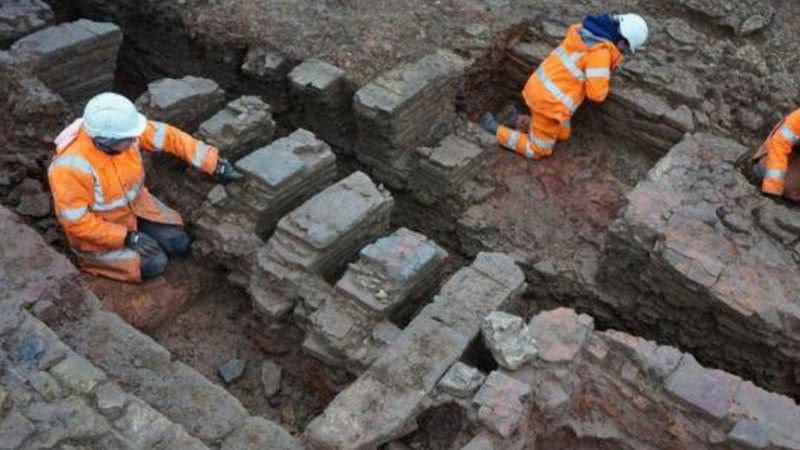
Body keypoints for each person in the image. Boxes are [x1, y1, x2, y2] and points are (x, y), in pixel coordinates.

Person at [48, 92, 243, 282]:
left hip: (138, 207)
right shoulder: (69, 168)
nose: (136, 139)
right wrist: (127, 237)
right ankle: (91, 262)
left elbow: (169, 136)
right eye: (129, 139)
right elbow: (76, 223)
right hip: (101, 229)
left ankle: (145, 234)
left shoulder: (123, 134)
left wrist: (214, 163)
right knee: (155, 264)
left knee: (179, 244)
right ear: (106, 141)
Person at [480, 13, 649, 160]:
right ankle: (495, 129)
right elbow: (596, 94)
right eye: (625, 50)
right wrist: (605, 74)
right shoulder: (600, 53)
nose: (623, 53)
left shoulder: (584, 33)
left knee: (563, 134)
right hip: (549, 105)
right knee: (538, 150)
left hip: (541, 89)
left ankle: (519, 120)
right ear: (622, 40)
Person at [753, 108, 800, 202]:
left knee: (790, 190)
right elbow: (779, 145)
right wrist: (772, 188)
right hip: (784, 150)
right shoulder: (797, 118)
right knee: (763, 171)